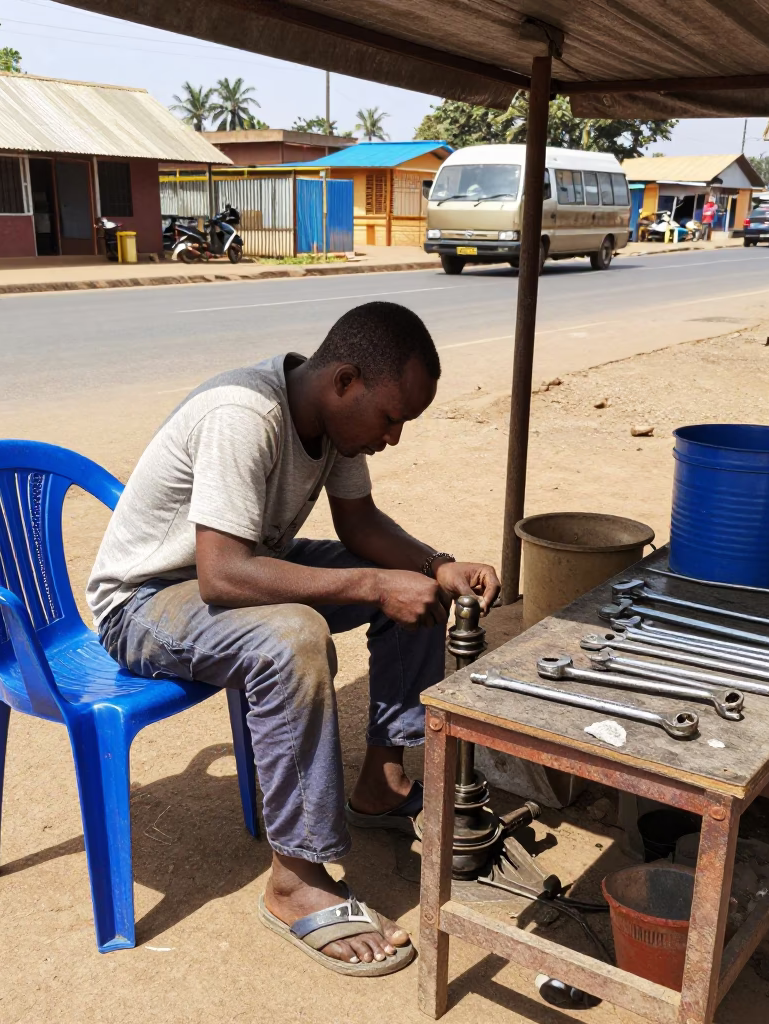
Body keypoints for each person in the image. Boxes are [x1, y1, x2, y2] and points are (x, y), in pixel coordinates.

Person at [86, 301, 501, 976]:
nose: (394, 437)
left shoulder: (332, 421)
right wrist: (373, 587)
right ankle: (294, 880)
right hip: (146, 602)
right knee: (294, 635)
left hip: (233, 570)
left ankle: (380, 783)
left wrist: (433, 565)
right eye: (392, 417)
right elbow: (223, 576)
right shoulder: (245, 416)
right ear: (344, 381)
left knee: (413, 588)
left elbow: (360, 525)